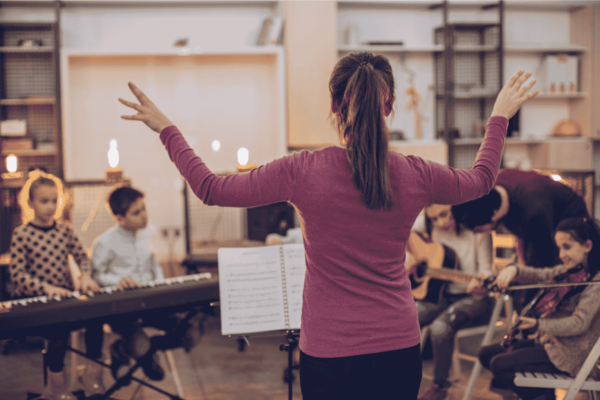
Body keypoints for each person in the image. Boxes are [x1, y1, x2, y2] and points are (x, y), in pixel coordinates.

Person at [118, 52, 538, 399]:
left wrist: (167, 129)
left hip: (330, 353)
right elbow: (483, 180)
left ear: (335, 106)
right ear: (389, 106)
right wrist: (498, 116)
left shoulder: (304, 170)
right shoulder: (416, 174)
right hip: (398, 346)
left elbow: (210, 188)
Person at [89, 185, 203, 384]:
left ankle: (144, 351)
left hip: (151, 305)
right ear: (120, 218)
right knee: (139, 343)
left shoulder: (148, 232)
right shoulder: (103, 242)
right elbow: (97, 276)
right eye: (136, 212)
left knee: (191, 333)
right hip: (121, 310)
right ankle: (126, 349)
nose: (144, 215)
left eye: (144, 209)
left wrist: (161, 288)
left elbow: (153, 265)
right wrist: (119, 282)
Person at [478, 217, 600, 400]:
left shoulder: (596, 283)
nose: (561, 255)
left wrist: (537, 325)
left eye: (567, 247)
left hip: (572, 356)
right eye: (559, 248)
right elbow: (540, 274)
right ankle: (542, 396)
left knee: (499, 364)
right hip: (552, 344)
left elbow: (579, 324)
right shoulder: (567, 272)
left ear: (588, 246)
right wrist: (514, 270)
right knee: (486, 354)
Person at [9, 171, 102, 400]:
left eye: (54, 200)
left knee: (95, 317)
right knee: (58, 326)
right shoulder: (22, 234)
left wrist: (86, 276)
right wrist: (46, 288)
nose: (50, 206)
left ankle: (90, 373)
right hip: (33, 300)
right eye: (44, 201)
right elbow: (17, 274)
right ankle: (56, 386)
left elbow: (83, 257)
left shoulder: (65, 230)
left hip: (63, 296)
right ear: (30, 202)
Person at [409, 204, 494, 400]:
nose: (441, 222)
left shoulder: (477, 230)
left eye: (444, 214)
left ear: (455, 207)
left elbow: (487, 271)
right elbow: (399, 230)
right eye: (434, 219)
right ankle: (396, 379)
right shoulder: (429, 226)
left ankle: (440, 388)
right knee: (405, 317)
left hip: (473, 297)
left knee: (439, 327)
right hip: (440, 294)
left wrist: (483, 282)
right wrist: (409, 259)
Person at [455, 169, 590, 269]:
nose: (475, 234)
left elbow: (539, 262)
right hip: (539, 211)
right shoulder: (493, 189)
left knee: (552, 266)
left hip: (568, 215)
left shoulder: (533, 212)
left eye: (478, 230)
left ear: (494, 214)